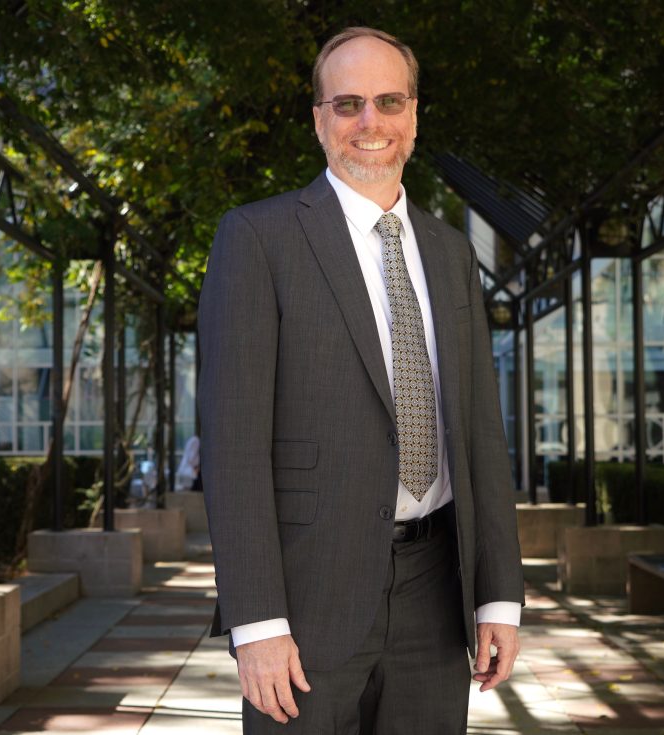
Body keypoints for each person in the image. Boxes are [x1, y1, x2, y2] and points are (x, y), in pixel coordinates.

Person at [197, 26, 524, 734]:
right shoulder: (257, 239)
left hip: (437, 596)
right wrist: (255, 619)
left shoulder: (451, 252)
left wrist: (498, 596)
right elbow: (234, 447)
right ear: (320, 120)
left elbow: (478, 432)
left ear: (413, 114)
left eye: (388, 101)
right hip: (308, 600)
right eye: (348, 105)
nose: (370, 123)